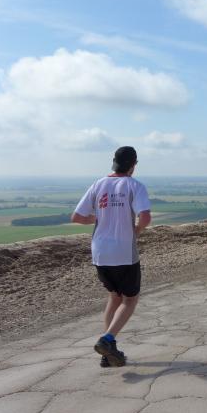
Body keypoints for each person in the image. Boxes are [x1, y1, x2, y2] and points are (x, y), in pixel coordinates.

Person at [72, 146, 151, 367]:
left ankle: (108, 353)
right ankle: (107, 340)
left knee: (114, 297)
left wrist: (99, 219)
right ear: (133, 165)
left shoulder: (98, 184)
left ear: (113, 162)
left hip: (99, 252)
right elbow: (145, 217)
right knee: (130, 299)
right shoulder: (134, 185)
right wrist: (136, 231)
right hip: (124, 252)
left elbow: (77, 217)